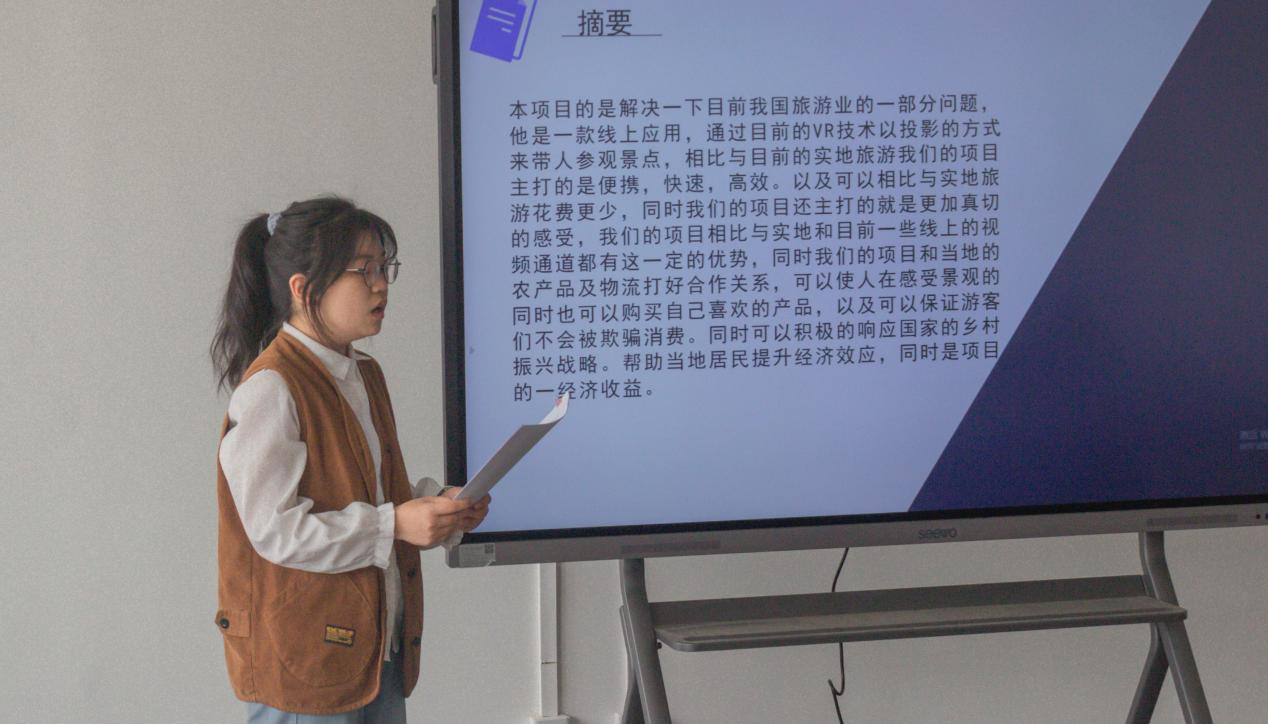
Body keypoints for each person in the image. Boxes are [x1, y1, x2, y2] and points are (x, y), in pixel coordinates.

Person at [209, 196, 488, 722]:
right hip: (303, 666)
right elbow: (276, 532)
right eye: (364, 271)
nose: (381, 285)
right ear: (302, 288)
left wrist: (438, 506)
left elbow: (372, 492)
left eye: (385, 267)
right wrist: (395, 524)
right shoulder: (272, 388)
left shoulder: (363, 374)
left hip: (373, 650)